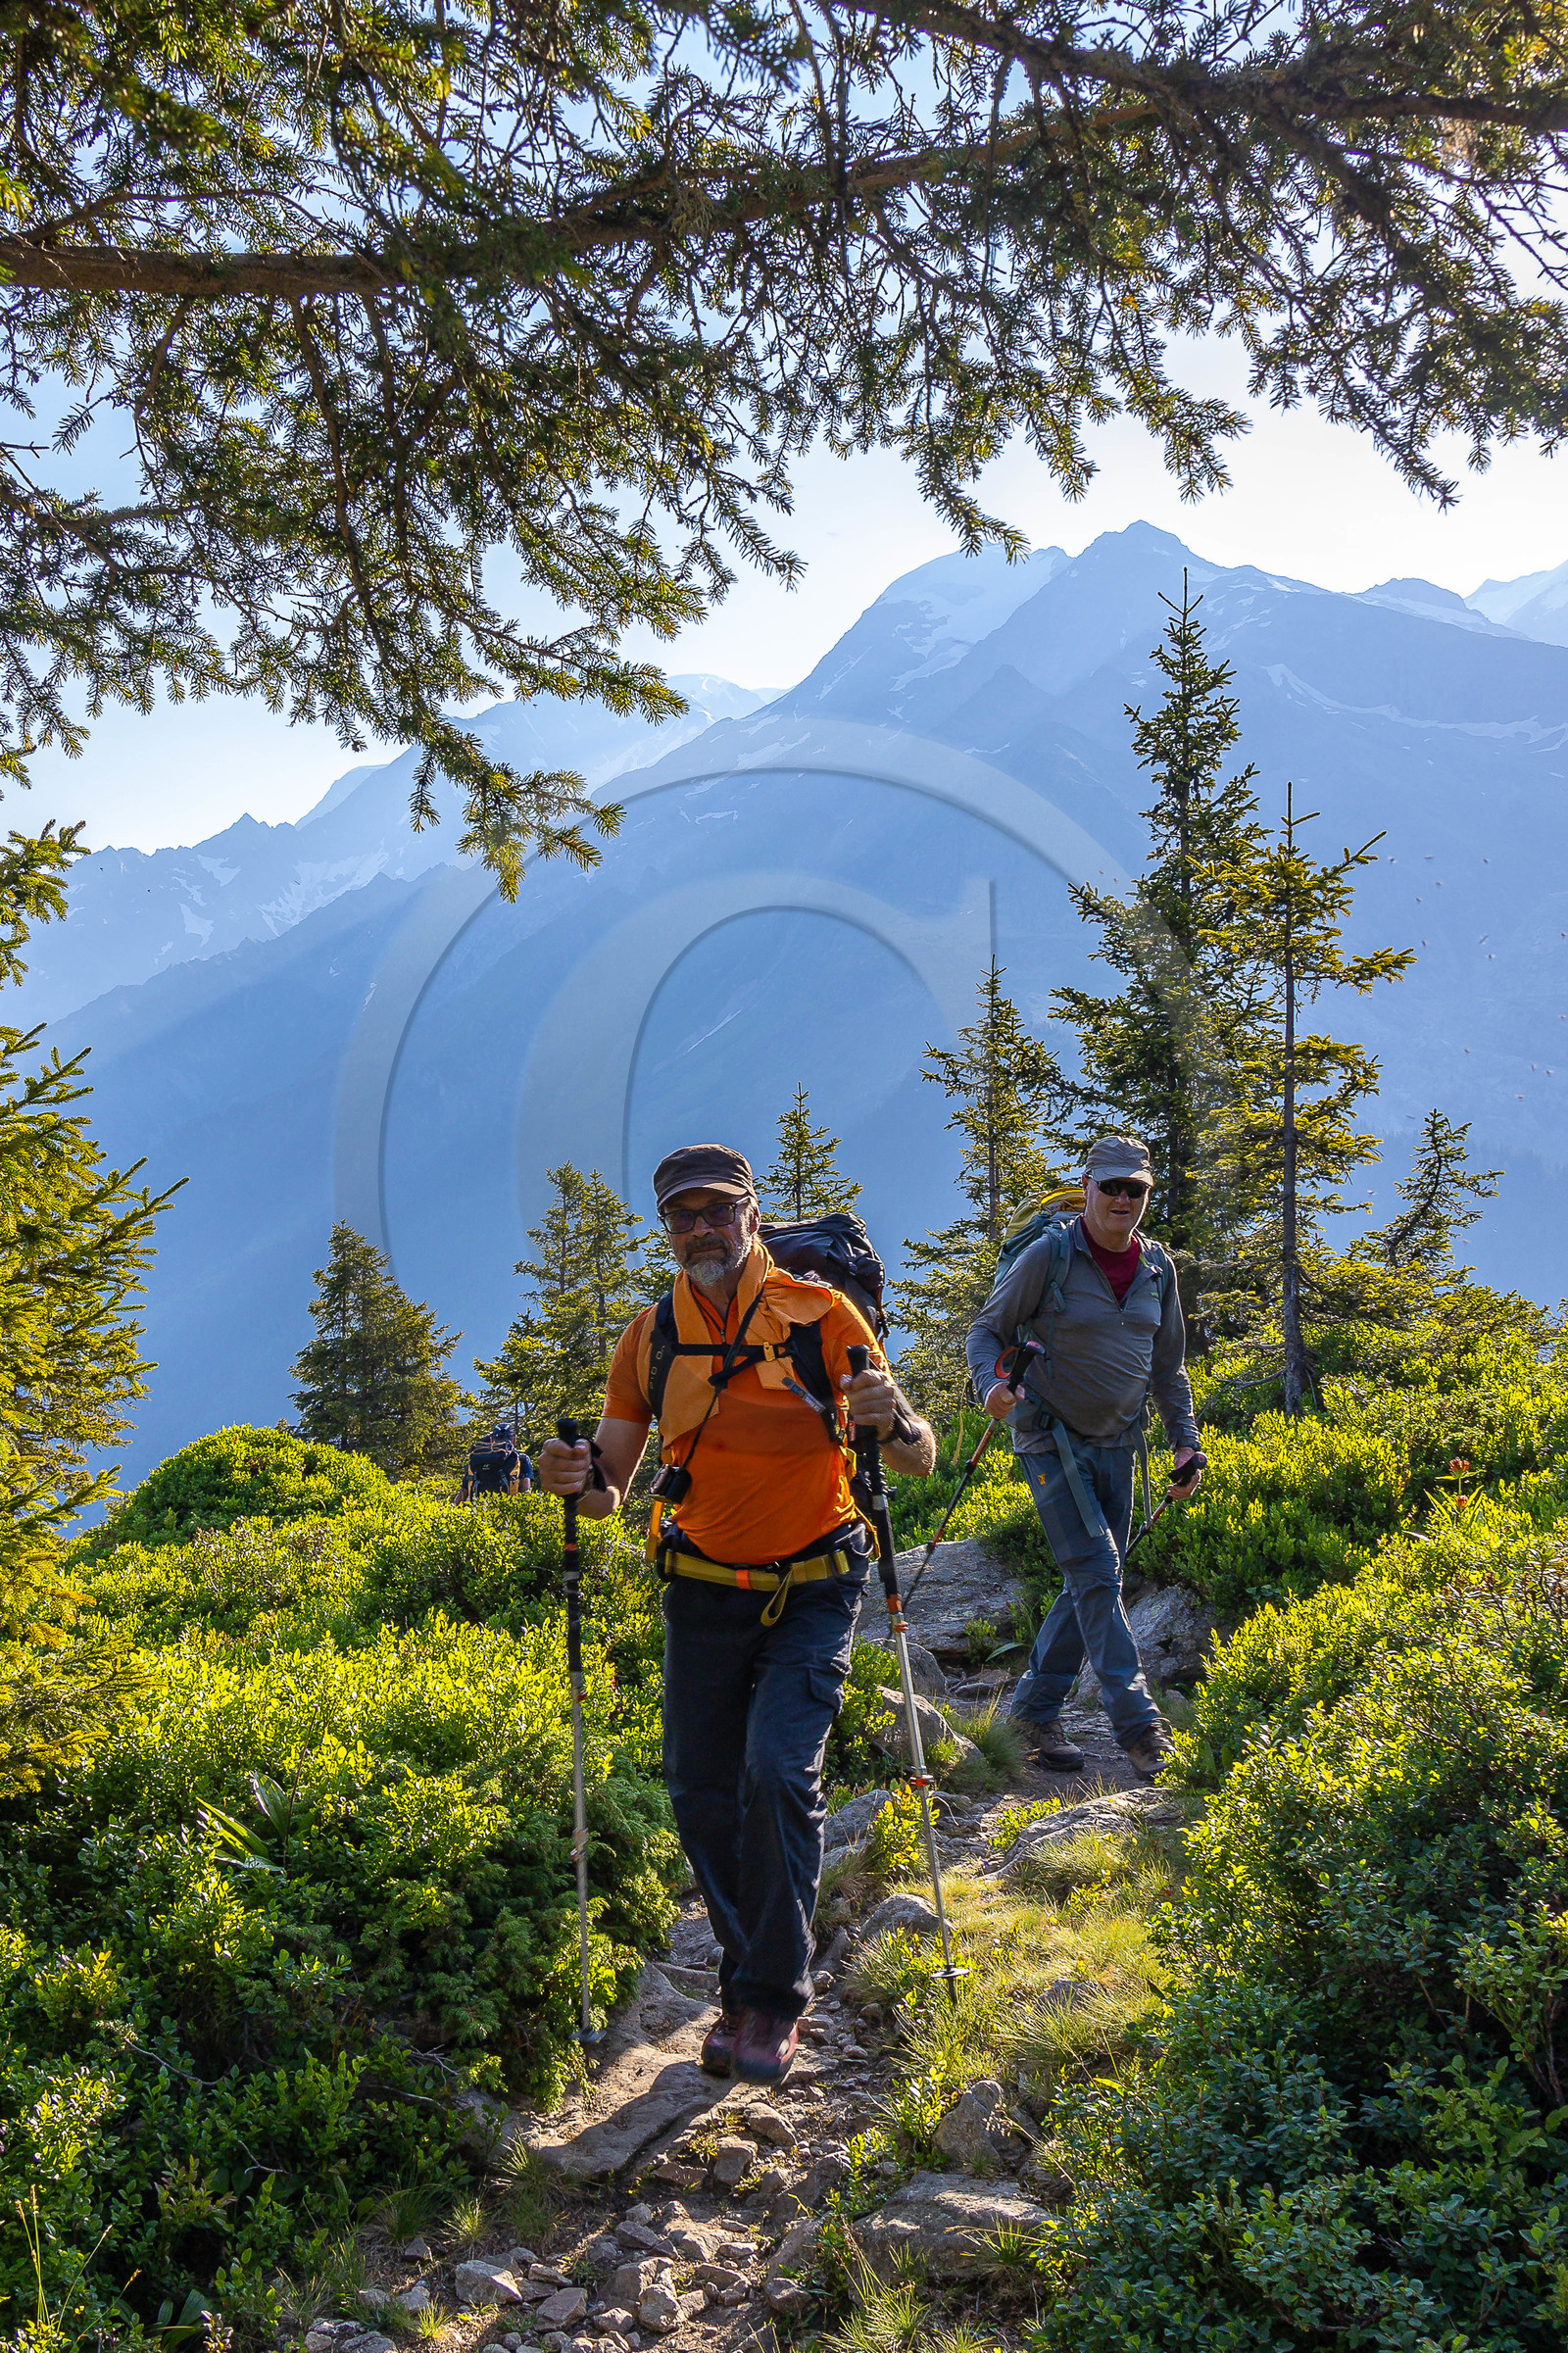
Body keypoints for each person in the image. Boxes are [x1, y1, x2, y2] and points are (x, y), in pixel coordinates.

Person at [537, 1143, 935, 2086]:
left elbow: (914, 1456)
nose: (703, 1228)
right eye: (684, 1215)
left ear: (754, 1215)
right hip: (703, 1588)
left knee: (774, 1772)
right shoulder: (651, 1337)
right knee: (698, 1791)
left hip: (816, 1584)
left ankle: (769, 1999)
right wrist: (570, 1478)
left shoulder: (823, 1315)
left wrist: (891, 1418)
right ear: (667, 1229)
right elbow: (609, 1488)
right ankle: (747, 1976)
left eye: (719, 1210)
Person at [965, 1132, 1202, 1782]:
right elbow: (986, 1330)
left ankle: (1034, 1711)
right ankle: (1139, 1726)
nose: (1124, 1198)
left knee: (1092, 1578)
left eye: (1137, 1188)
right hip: (1049, 1437)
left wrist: (1186, 1440)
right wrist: (991, 1384)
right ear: (1089, 1185)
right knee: (1099, 1571)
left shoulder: (1158, 1268)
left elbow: (1168, 1366)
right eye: (1113, 1185)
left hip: (1121, 1441)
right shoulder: (1052, 1253)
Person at [460, 1422, 524, 1501]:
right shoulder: (521, 1458)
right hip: (507, 1508)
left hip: (479, 1508)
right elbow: (526, 1488)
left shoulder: (478, 1457)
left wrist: (452, 1509)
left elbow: (464, 1492)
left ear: (491, 1440)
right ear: (514, 1439)